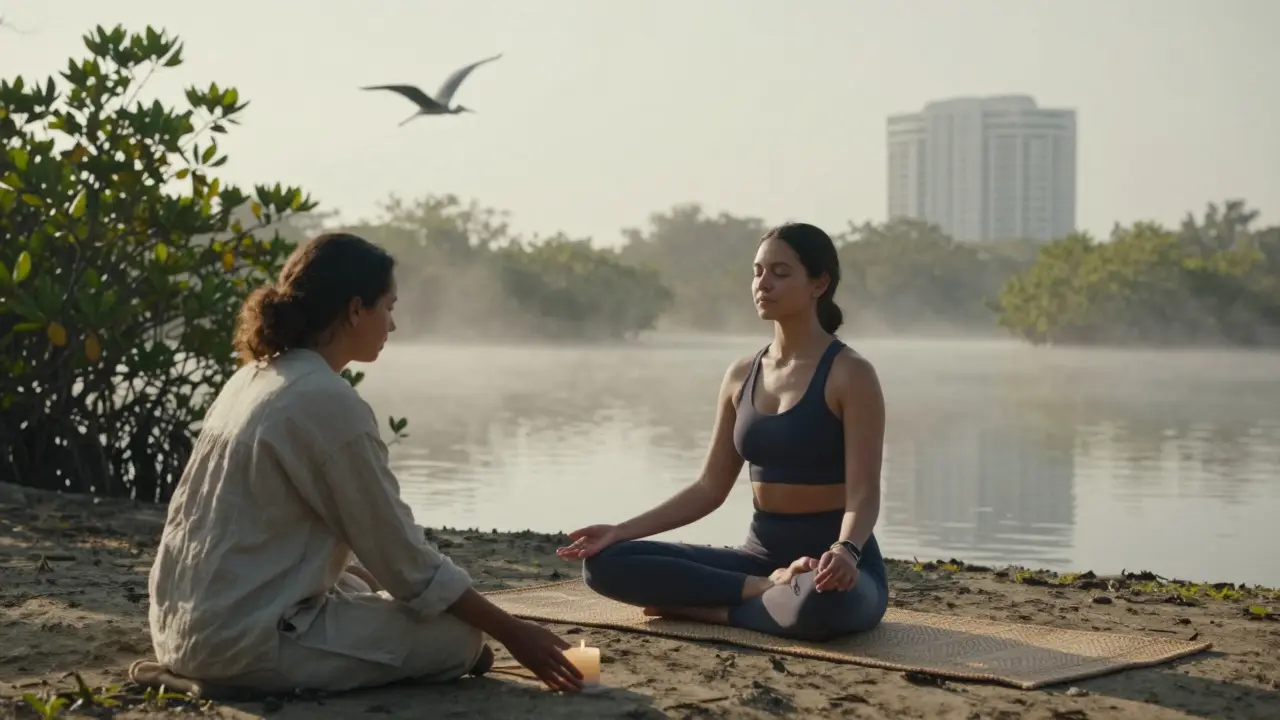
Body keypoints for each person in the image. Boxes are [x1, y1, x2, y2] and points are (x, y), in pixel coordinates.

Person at [147, 233, 583, 694]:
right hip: (242, 645)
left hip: (180, 628)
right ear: (356, 309)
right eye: (389, 307)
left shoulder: (252, 377)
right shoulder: (326, 400)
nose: (392, 326)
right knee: (458, 637)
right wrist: (515, 633)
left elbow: (383, 558)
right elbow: (406, 562)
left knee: (354, 579)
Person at [557, 222, 889, 642]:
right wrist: (621, 530)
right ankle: (766, 591)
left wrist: (846, 550)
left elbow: (864, 494)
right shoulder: (741, 374)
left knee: (820, 602)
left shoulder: (851, 374)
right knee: (606, 563)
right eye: (757, 271)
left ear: (818, 284)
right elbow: (710, 488)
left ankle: (710, 611)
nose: (763, 284)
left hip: (834, 566)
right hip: (758, 560)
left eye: (780, 273)